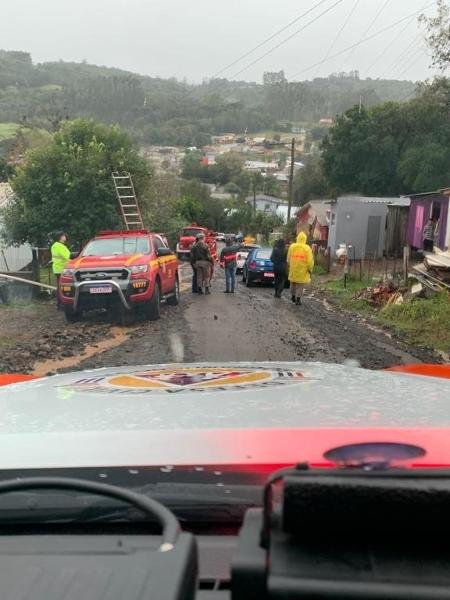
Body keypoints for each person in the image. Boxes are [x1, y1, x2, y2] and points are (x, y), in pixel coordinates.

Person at [287, 231, 314, 306]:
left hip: (293, 269)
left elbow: (288, 258)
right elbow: (310, 261)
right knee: (300, 285)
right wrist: (310, 269)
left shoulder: (292, 246)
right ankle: (298, 300)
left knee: (292, 283)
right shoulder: (307, 248)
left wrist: (289, 265)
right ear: (305, 239)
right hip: (303, 270)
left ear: (297, 238)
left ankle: (292, 297)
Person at [51, 231, 71, 309]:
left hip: (58, 269)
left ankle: (60, 304)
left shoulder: (55, 245)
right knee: (62, 287)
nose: (65, 237)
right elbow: (66, 256)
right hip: (61, 269)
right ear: (60, 237)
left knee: (60, 287)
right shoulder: (59, 246)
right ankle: (61, 305)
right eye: (63, 236)